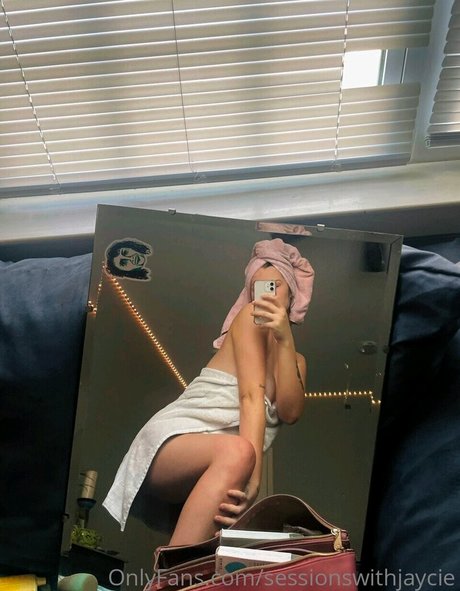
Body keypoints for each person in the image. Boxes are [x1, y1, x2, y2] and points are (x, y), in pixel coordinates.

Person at [102, 238, 314, 545]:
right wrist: (253, 479)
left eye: (274, 287)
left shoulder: (297, 361)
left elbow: (290, 412)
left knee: (203, 552)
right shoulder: (249, 319)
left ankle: (171, 571)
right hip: (175, 441)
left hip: (219, 462)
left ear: (292, 293)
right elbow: (251, 398)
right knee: (239, 454)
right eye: (257, 288)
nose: (265, 297)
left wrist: (284, 339)